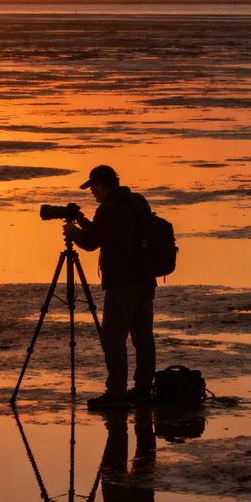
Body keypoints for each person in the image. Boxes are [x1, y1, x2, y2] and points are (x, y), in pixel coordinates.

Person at [63, 165, 156, 409]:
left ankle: (116, 393)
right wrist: (82, 220)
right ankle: (144, 388)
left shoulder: (109, 208)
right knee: (143, 337)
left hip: (123, 283)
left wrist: (72, 231)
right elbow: (105, 233)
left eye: (92, 187)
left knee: (113, 338)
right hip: (146, 279)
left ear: (102, 184)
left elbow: (92, 242)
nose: (92, 191)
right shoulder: (136, 201)